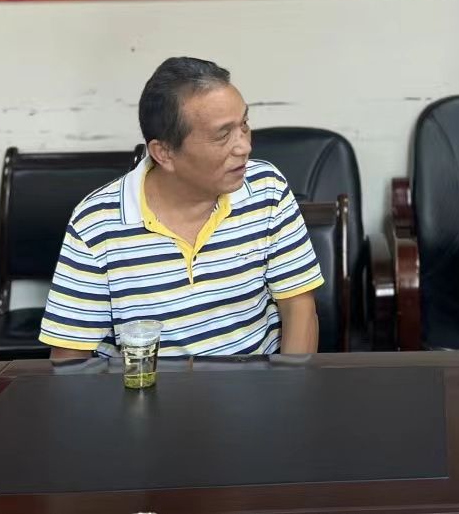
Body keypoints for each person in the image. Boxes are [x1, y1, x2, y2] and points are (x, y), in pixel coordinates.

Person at [39, 57, 323, 359]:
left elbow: (299, 309)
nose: (244, 147)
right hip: (146, 387)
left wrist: (289, 386)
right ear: (164, 153)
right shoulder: (96, 223)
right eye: (223, 135)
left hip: (256, 383)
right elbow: (70, 360)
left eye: (244, 125)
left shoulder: (266, 187)